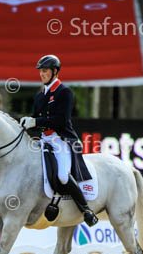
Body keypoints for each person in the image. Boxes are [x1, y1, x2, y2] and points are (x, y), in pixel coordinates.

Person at [19, 55, 98, 227]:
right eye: (40, 71)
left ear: (55, 71)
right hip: (44, 140)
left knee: (62, 175)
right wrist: (27, 123)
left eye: (45, 71)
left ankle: (86, 210)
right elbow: (36, 119)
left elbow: (61, 120)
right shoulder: (39, 96)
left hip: (61, 140)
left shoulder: (64, 92)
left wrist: (36, 122)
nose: (42, 74)